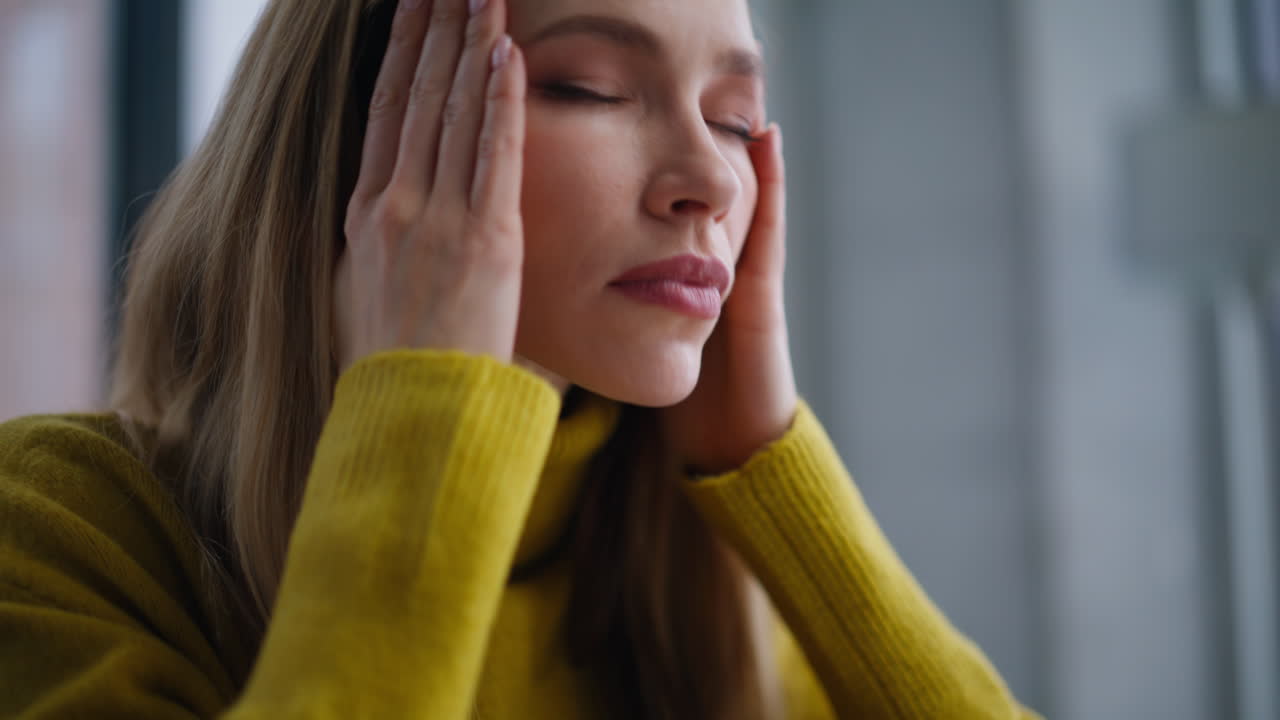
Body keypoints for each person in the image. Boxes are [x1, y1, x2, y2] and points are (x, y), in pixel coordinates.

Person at [0, 0, 1040, 717]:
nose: (709, 182)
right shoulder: (53, 530)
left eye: (732, 117)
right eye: (589, 89)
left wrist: (774, 461)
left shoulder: (691, 597)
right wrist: (424, 418)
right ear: (369, 138)